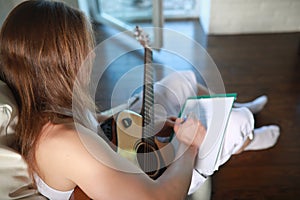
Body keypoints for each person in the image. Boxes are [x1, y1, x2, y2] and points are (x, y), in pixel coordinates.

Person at [0, 1, 279, 199]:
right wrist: (187, 144)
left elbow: (90, 124)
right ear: (58, 65)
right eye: (84, 51)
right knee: (238, 124)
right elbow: (159, 198)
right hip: (157, 179)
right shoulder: (62, 144)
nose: (93, 56)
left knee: (182, 79)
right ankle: (247, 137)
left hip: (121, 150)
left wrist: (128, 117)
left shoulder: (44, 100)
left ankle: (235, 107)